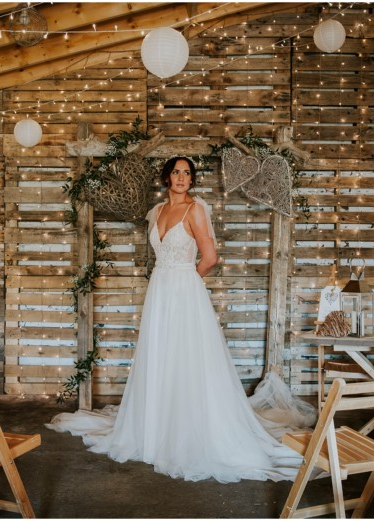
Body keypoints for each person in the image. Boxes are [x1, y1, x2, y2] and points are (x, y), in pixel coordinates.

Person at [47, 156, 316, 483]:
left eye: (187, 173)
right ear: (167, 177)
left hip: (185, 291)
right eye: (176, 172)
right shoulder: (156, 212)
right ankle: (157, 425)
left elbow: (211, 257)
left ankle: (190, 428)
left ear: (191, 180)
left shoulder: (195, 210)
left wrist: (186, 277)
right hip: (159, 292)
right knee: (160, 355)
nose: (181, 177)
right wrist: (169, 277)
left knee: (187, 357)